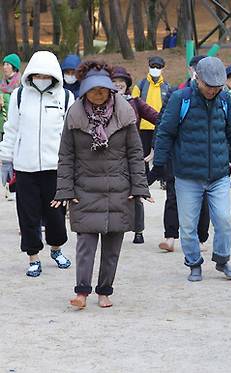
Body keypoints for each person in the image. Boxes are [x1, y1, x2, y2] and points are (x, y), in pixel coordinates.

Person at [52, 61, 151, 309]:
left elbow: (135, 153)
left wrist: (139, 187)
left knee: (112, 247)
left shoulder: (125, 113)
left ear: (110, 90)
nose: (98, 94)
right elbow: (66, 156)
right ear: (84, 90)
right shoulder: (74, 115)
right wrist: (65, 190)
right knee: (85, 245)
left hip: (120, 190)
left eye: (103, 89)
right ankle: (82, 292)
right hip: (84, 189)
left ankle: (105, 290)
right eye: (93, 90)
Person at [151, 56, 231, 282]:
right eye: (209, 86)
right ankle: (194, 263)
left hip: (218, 174)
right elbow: (166, 132)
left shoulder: (224, 99)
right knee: (187, 226)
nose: (212, 91)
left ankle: (222, 259)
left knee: (224, 221)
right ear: (198, 79)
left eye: (217, 87)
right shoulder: (180, 98)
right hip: (187, 175)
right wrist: (158, 166)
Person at [0, 51, 75, 277]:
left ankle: (56, 248)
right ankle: (33, 256)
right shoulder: (19, 96)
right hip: (25, 168)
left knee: (56, 215)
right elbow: (11, 129)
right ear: (30, 73)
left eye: (46, 74)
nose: (41, 78)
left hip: (55, 168)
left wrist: (72, 167)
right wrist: (5, 160)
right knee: (28, 215)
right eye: (37, 74)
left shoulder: (65, 98)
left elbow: (70, 136)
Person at [157, 56, 212, 253]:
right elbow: (162, 124)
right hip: (177, 154)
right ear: (190, 69)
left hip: (203, 155)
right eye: (196, 68)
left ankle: (201, 237)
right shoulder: (176, 92)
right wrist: (159, 152)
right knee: (172, 194)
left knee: (202, 196)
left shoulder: (215, 94)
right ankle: (170, 235)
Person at [111, 66, 161, 244]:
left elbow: (160, 119)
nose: (118, 85)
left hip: (133, 154)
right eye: (114, 82)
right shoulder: (102, 103)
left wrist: (156, 145)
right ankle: (115, 228)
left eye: (121, 82)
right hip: (111, 155)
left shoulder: (135, 102)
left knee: (137, 192)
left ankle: (138, 230)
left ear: (127, 84)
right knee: (113, 193)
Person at [132, 56, 170, 175]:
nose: (155, 69)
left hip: (160, 126)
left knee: (162, 152)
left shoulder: (167, 86)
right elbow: (134, 103)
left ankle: (163, 177)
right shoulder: (141, 84)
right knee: (143, 153)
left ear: (162, 69)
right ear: (148, 67)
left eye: (158, 67)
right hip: (143, 126)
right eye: (153, 66)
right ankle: (144, 176)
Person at [1, 54, 21, 141]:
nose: (4, 67)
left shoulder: (21, 86)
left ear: (14, 67)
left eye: (7, 65)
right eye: (4, 64)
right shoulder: (1, 84)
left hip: (16, 127)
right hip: (2, 127)